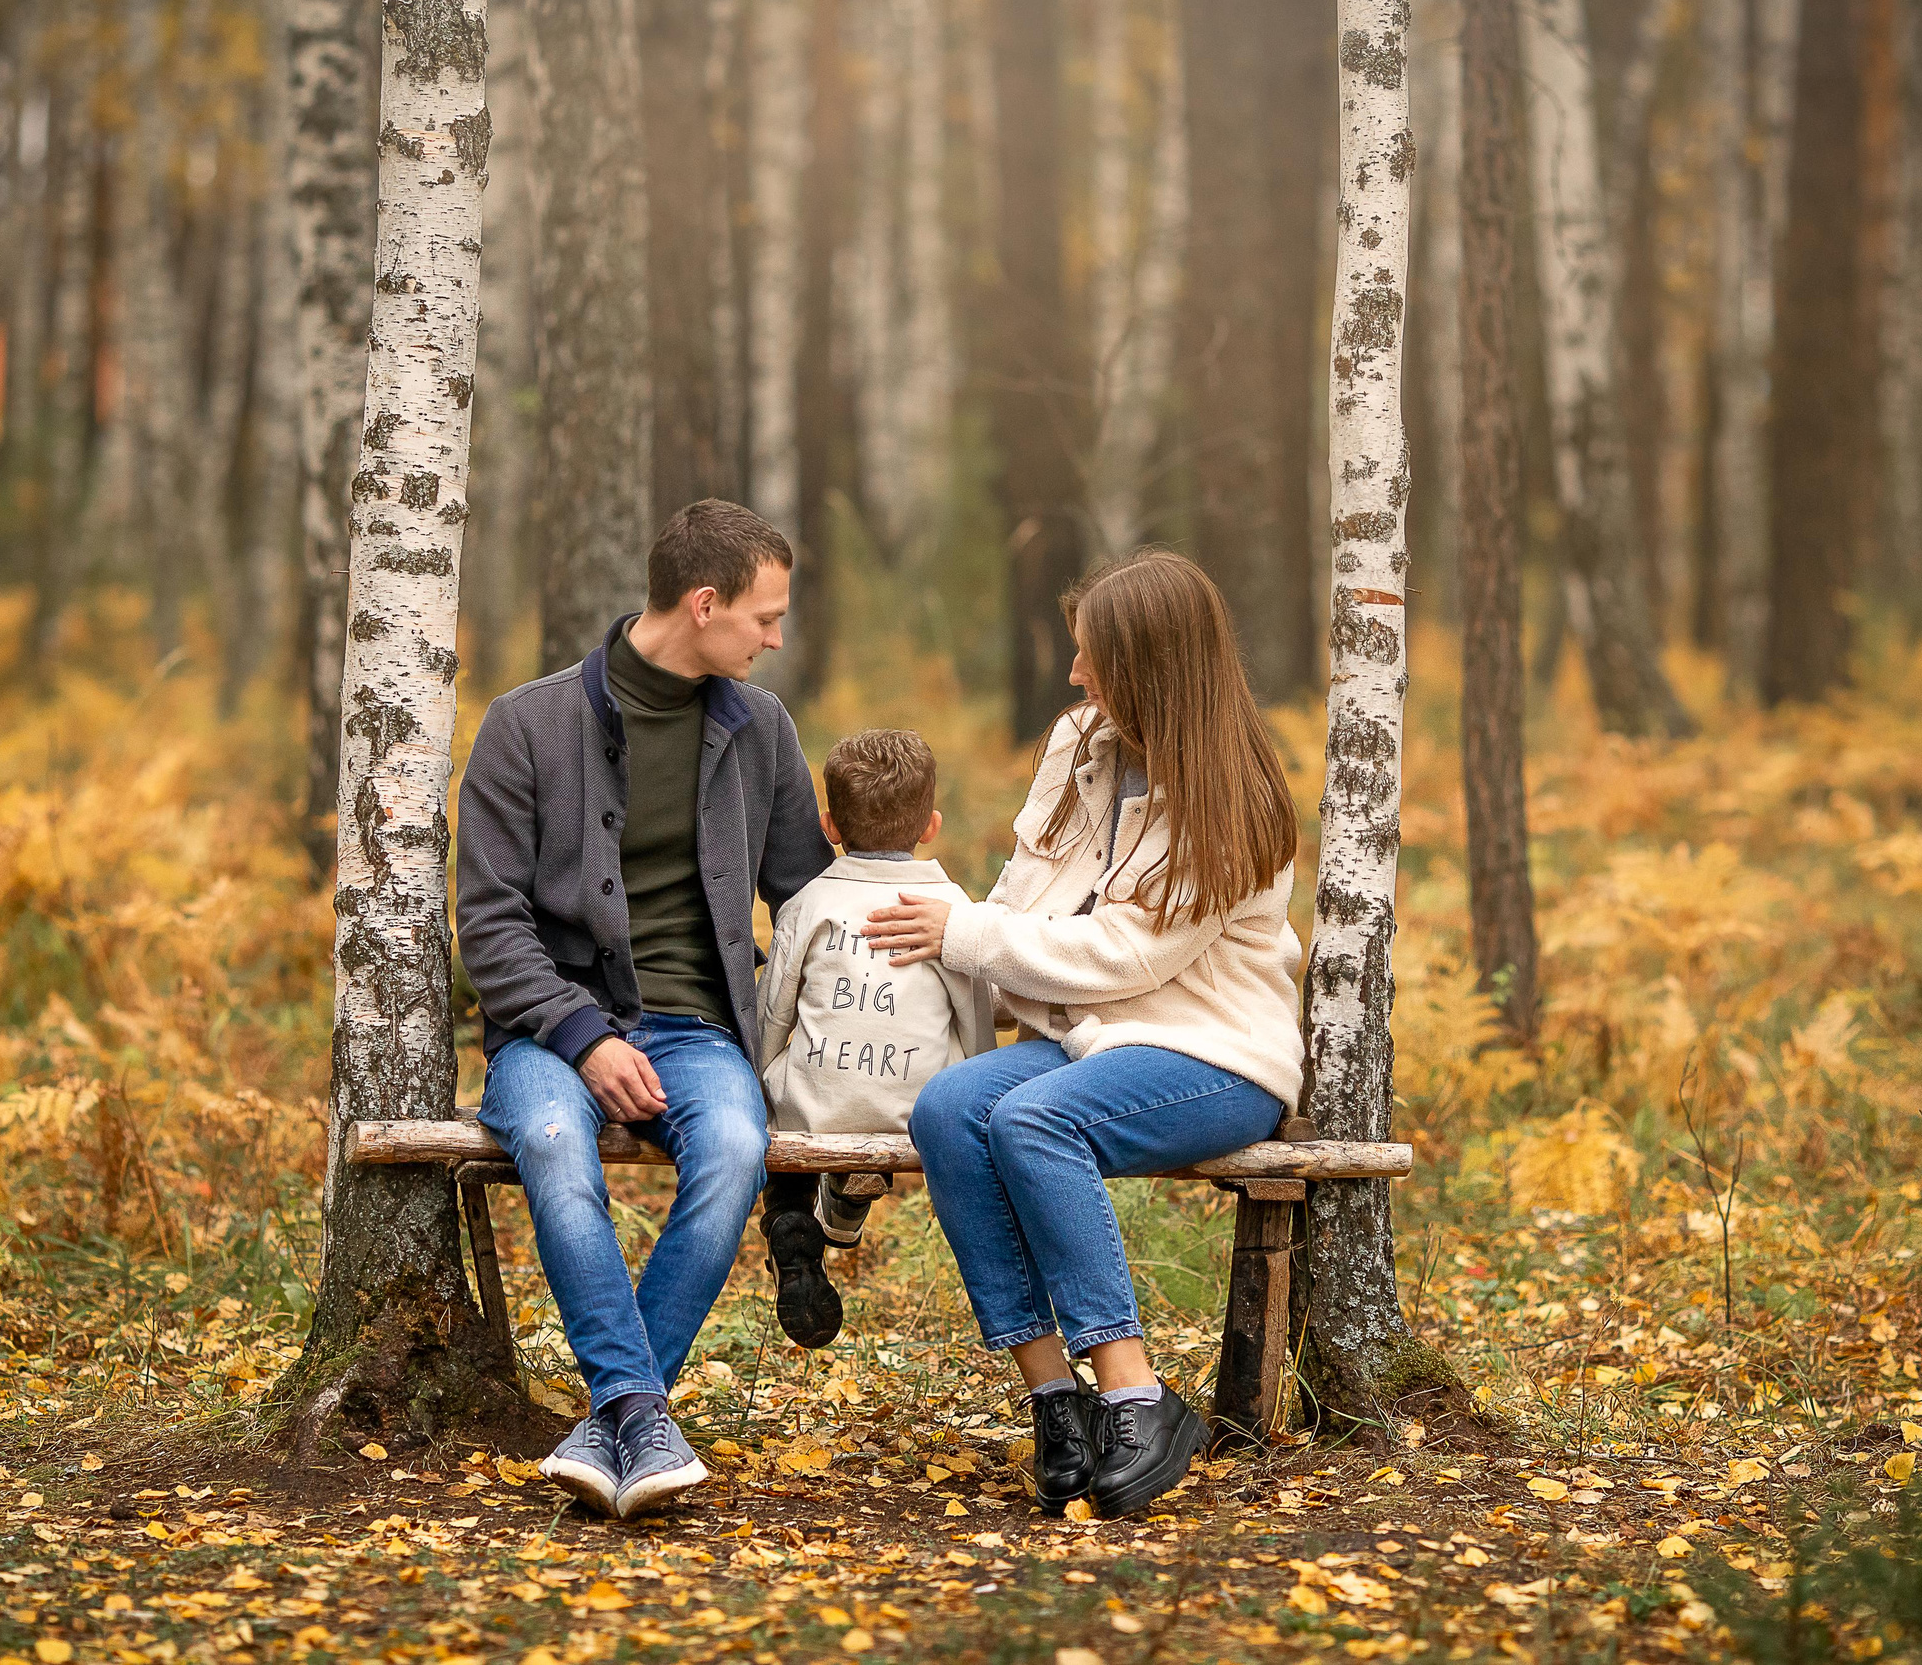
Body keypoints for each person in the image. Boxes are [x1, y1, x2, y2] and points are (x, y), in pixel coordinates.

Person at [863, 549, 1304, 1521]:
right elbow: (1025, 890)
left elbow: (1127, 954)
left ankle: (1136, 1397)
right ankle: (1056, 1401)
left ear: (1148, 667)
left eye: (1090, 657)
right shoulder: (1080, 743)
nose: (1073, 675)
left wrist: (964, 933)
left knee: (1035, 1123)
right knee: (949, 1109)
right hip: (1089, 1038)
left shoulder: (1236, 794)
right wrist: (952, 959)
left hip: (1214, 1051)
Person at [455, 500, 835, 1521]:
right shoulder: (526, 725)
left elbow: (808, 898)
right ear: (704, 605)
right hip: (549, 1033)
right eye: (764, 616)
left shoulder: (760, 730)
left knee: (735, 1150)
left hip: (699, 1031)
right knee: (552, 1142)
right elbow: (488, 924)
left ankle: (616, 1416)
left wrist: (907, 910)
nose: (775, 638)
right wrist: (584, 1039)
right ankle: (639, 1408)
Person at [754, 729, 993, 1346]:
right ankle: (847, 1201)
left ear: (830, 826)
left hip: (815, 1106)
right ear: (931, 826)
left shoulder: (808, 903)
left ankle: (788, 1218)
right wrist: (977, 1079)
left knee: (790, 1105)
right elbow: (973, 1012)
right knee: (888, 1088)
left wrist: (761, 1073)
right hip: (916, 1110)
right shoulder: (949, 907)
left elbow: (774, 1010)